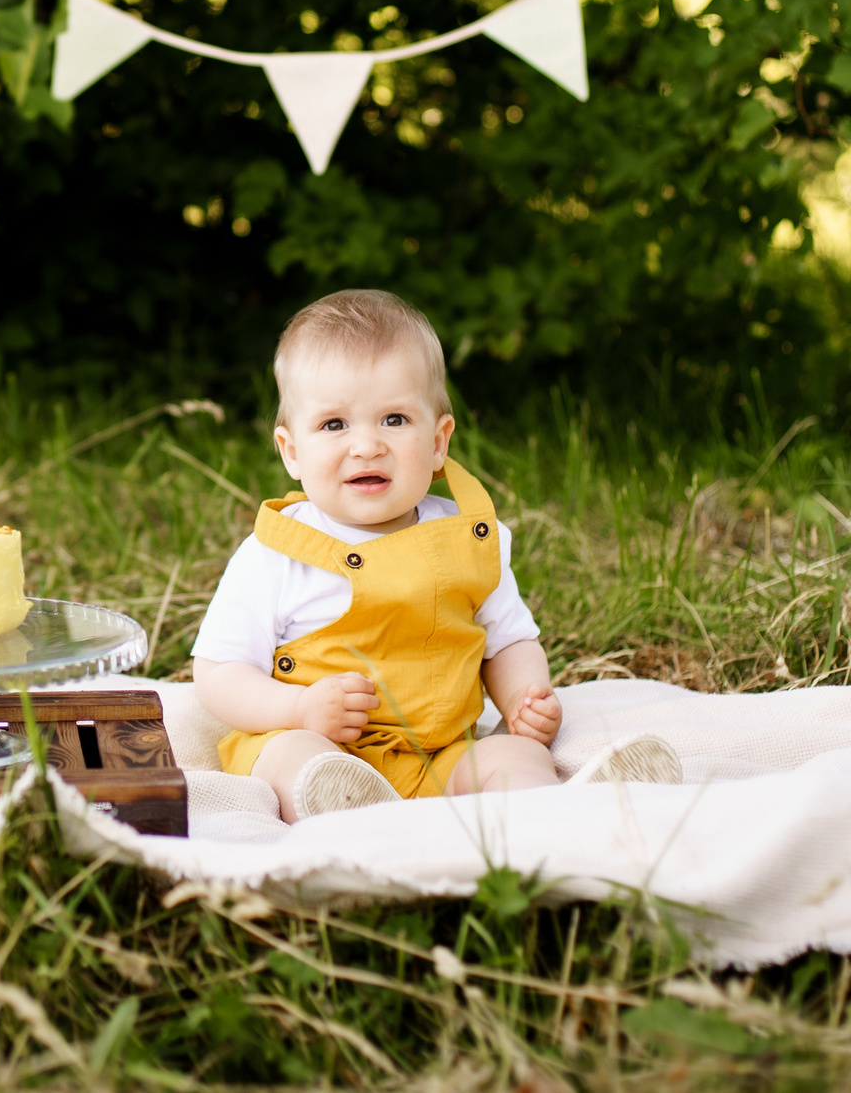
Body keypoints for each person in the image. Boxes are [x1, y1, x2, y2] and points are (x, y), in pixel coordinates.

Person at [190, 289, 680, 821]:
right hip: (317, 738)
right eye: (335, 424)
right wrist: (299, 709)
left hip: (442, 753)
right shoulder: (274, 554)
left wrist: (524, 699)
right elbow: (220, 673)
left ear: (439, 441)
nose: (367, 445)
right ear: (291, 451)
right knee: (290, 758)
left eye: (394, 420)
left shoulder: (469, 537)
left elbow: (509, 641)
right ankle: (340, 808)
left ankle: (565, 811)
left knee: (513, 755)